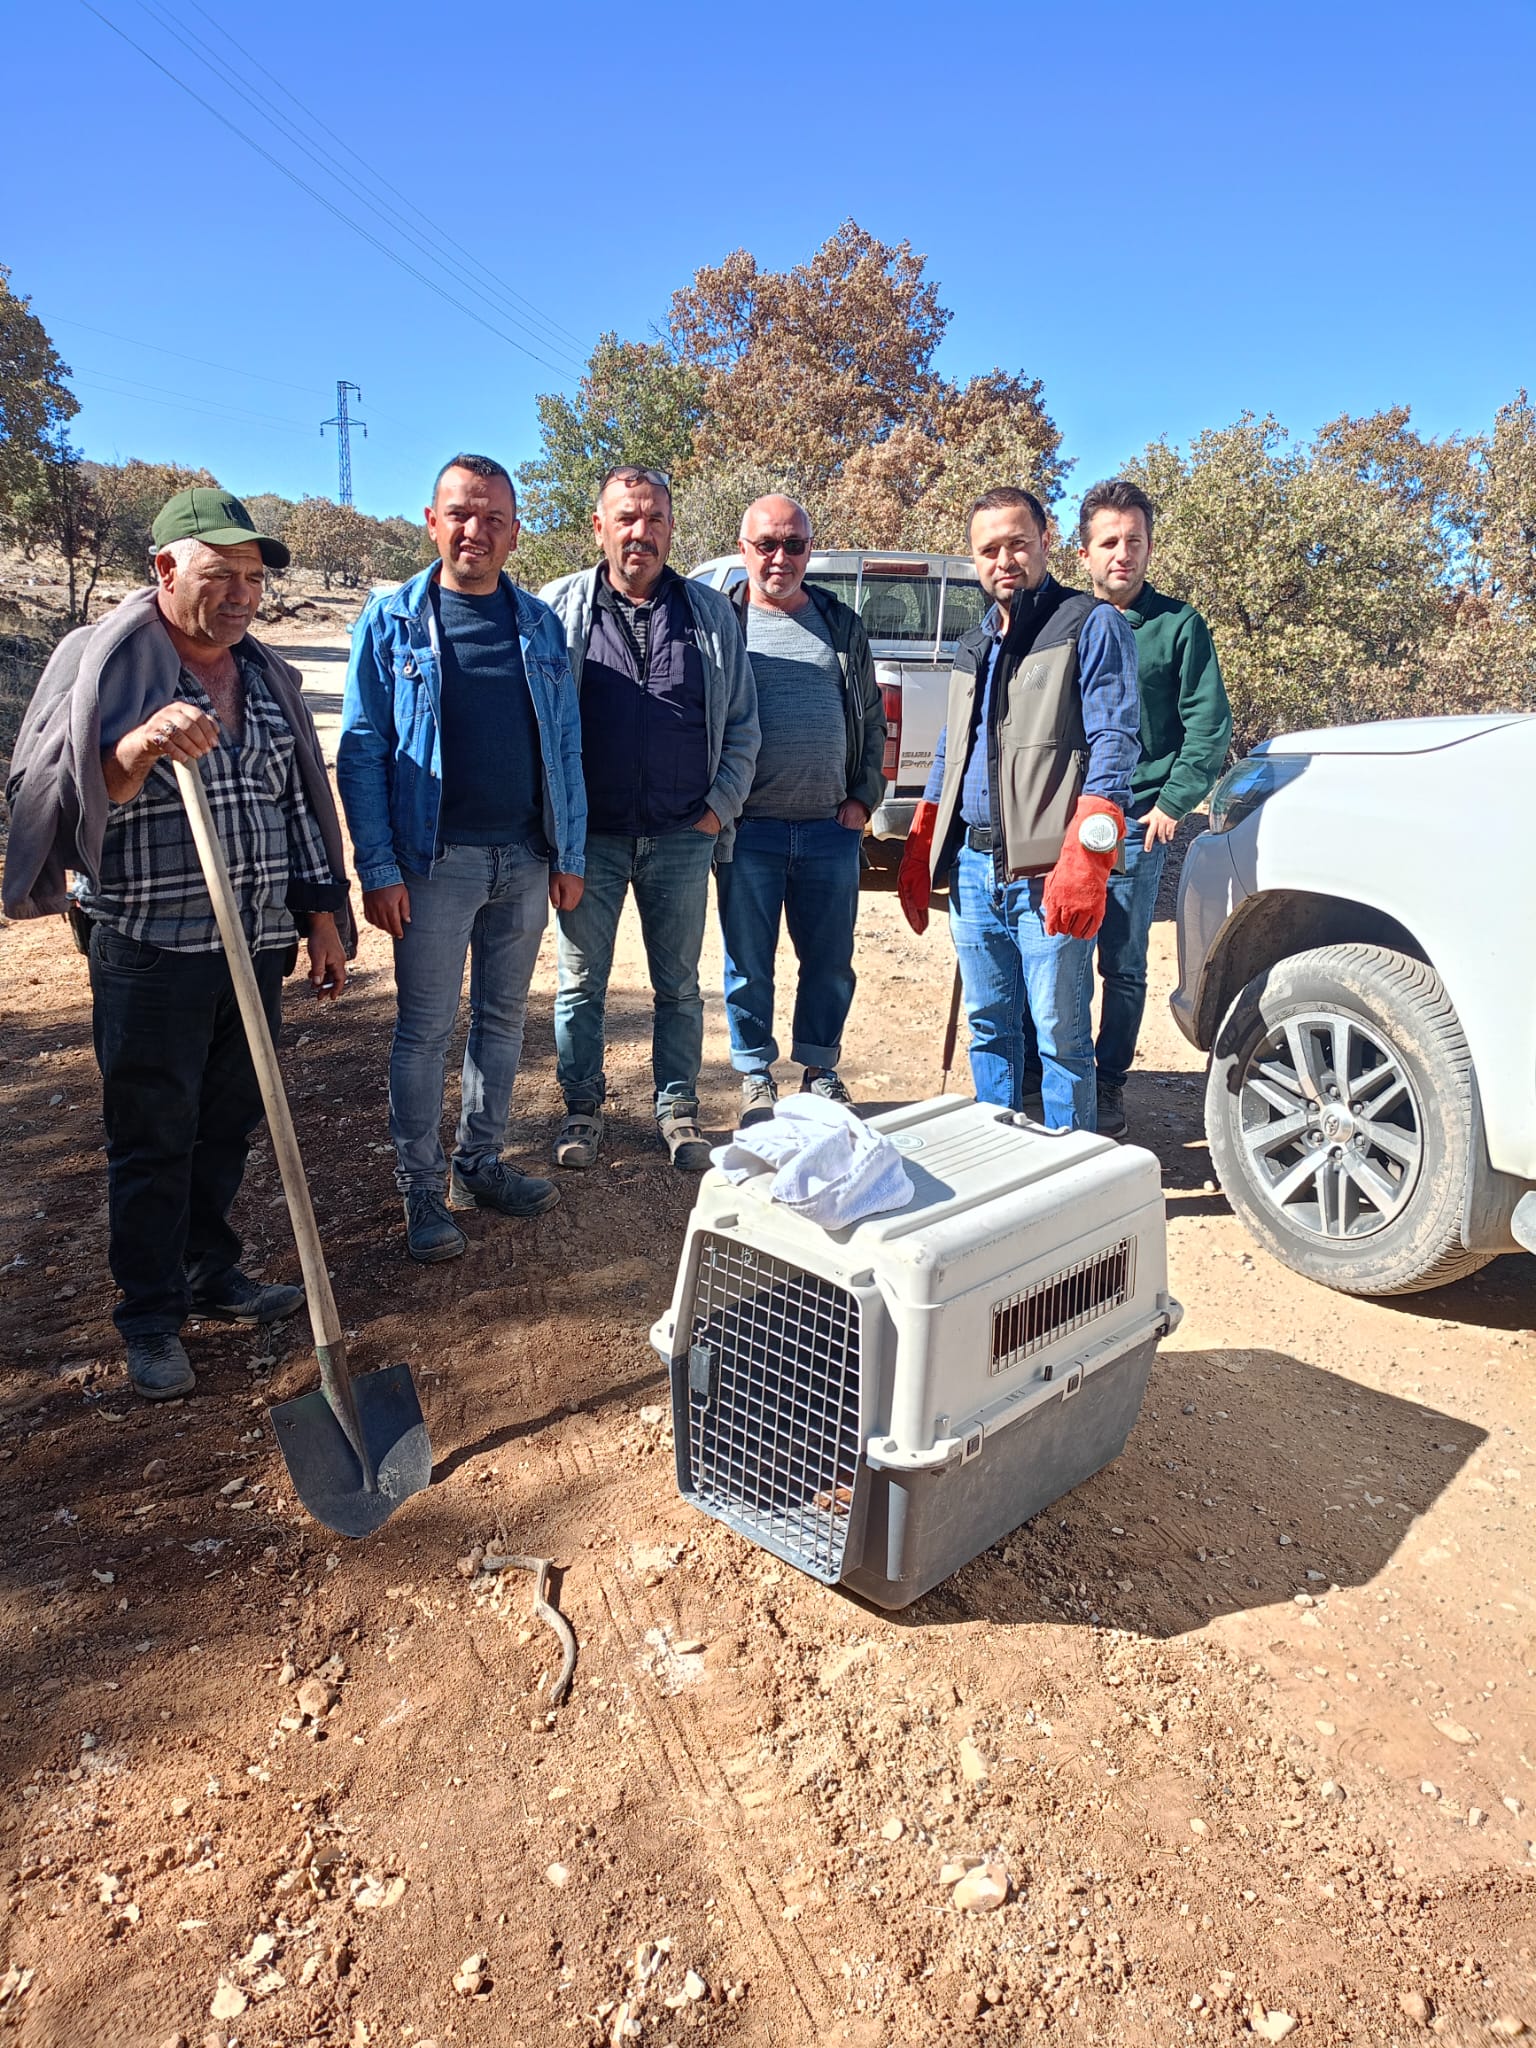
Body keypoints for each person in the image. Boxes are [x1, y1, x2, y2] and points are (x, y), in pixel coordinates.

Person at [3, 487, 352, 1400]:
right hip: (150, 948)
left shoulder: (266, 677)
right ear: (165, 570)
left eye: (251, 578)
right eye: (219, 574)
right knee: (151, 1136)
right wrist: (136, 748)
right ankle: (151, 1317)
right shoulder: (106, 668)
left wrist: (320, 915)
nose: (241, 594)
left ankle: (211, 1272)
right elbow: (60, 803)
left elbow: (298, 804)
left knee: (231, 1120)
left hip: (256, 946)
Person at [337, 454, 585, 1263]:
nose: (474, 529)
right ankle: (421, 1187)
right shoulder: (393, 620)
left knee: (504, 1021)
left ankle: (481, 1161)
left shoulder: (541, 625)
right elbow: (364, 747)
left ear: (515, 533)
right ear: (432, 520)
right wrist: (377, 867)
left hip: (522, 857)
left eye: (491, 517)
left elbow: (566, 747)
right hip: (433, 863)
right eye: (459, 513)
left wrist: (567, 851)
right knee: (425, 1030)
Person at [897, 486, 1140, 1130]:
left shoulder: (1090, 625)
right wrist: (923, 843)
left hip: (1047, 875)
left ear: (1044, 543)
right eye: (988, 550)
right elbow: (952, 751)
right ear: (975, 561)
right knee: (988, 1027)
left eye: (1017, 544)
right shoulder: (974, 643)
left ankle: (1070, 1180)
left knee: (1060, 1035)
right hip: (974, 874)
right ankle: (998, 1160)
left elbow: (1115, 745)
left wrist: (1088, 859)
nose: (1004, 560)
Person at [540, 466, 759, 1171]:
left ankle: (678, 1108)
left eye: (655, 518)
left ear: (672, 527)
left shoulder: (710, 612)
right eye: (626, 518)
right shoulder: (559, 609)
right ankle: (580, 1109)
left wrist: (715, 812)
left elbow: (744, 726)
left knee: (680, 986)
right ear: (599, 527)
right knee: (580, 982)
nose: (642, 532)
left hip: (680, 838)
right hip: (589, 842)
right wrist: (554, 830)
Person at [719, 494, 885, 1123]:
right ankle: (755, 1072)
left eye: (794, 544)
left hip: (828, 829)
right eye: (767, 544)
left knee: (829, 961)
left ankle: (819, 1067)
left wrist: (863, 798)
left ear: (810, 550)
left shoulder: (840, 624)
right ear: (745, 550)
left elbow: (871, 718)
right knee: (747, 962)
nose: (780, 556)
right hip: (747, 830)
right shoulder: (723, 623)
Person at [1074, 478, 1232, 1137]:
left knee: (1124, 963)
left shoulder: (1179, 627)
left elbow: (1209, 725)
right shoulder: (1066, 624)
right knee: (1054, 952)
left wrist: (1173, 802)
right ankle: (1054, 1073)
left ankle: (1109, 1084)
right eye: (1108, 541)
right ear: (1084, 553)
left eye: (1133, 541)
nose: (1122, 553)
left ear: (1149, 548)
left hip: (1139, 826)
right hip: (1065, 824)